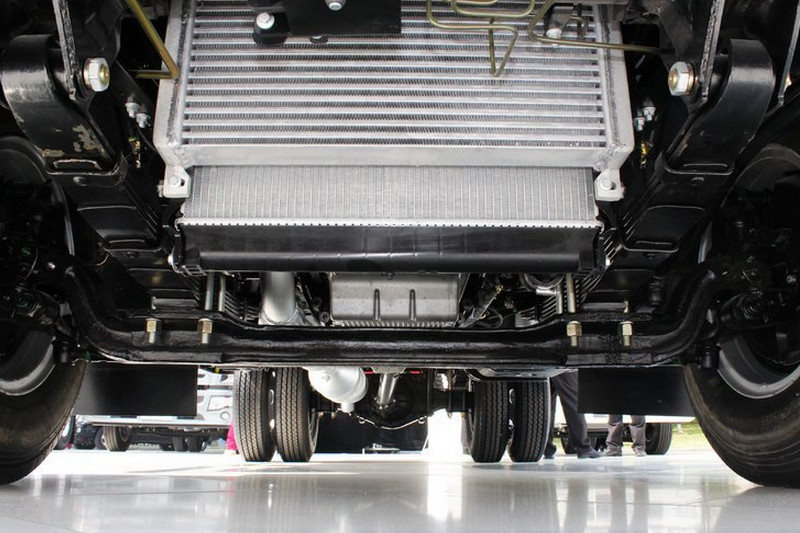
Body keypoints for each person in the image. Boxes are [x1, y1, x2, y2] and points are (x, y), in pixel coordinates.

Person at [544, 371, 601, 459]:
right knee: (572, 401)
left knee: (546, 404)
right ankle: (583, 447)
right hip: (564, 367)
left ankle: (546, 447)